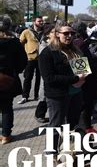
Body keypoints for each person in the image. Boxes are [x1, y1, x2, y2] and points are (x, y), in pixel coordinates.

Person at [39, 22, 87, 155]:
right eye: (66, 33)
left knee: (72, 124)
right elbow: (49, 78)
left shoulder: (75, 50)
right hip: (57, 95)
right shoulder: (47, 53)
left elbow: (83, 71)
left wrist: (81, 80)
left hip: (76, 93)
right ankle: (51, 153)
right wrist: (74, 79)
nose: (69, 36)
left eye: (72, 33)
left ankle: (69, 151)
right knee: (55, 126)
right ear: (57, 34)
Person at [0, 15, 27, 144]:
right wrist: (15, 71)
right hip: (8, 78)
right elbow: (23, 61)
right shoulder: (14, 42)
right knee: (6, 107)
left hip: (8, 76)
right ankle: (6, 135)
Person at [18, 16, 44, 104]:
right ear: (34, 22)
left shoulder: (44, 32)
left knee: (39, 78)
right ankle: (25, 96)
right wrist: (23, 54)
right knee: (28, 78)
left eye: (42, 21)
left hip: (41, 58)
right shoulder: (26, 32)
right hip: (30, 58)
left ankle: (37, 95)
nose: (41, 22)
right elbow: (20, 44)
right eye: (39, 21)